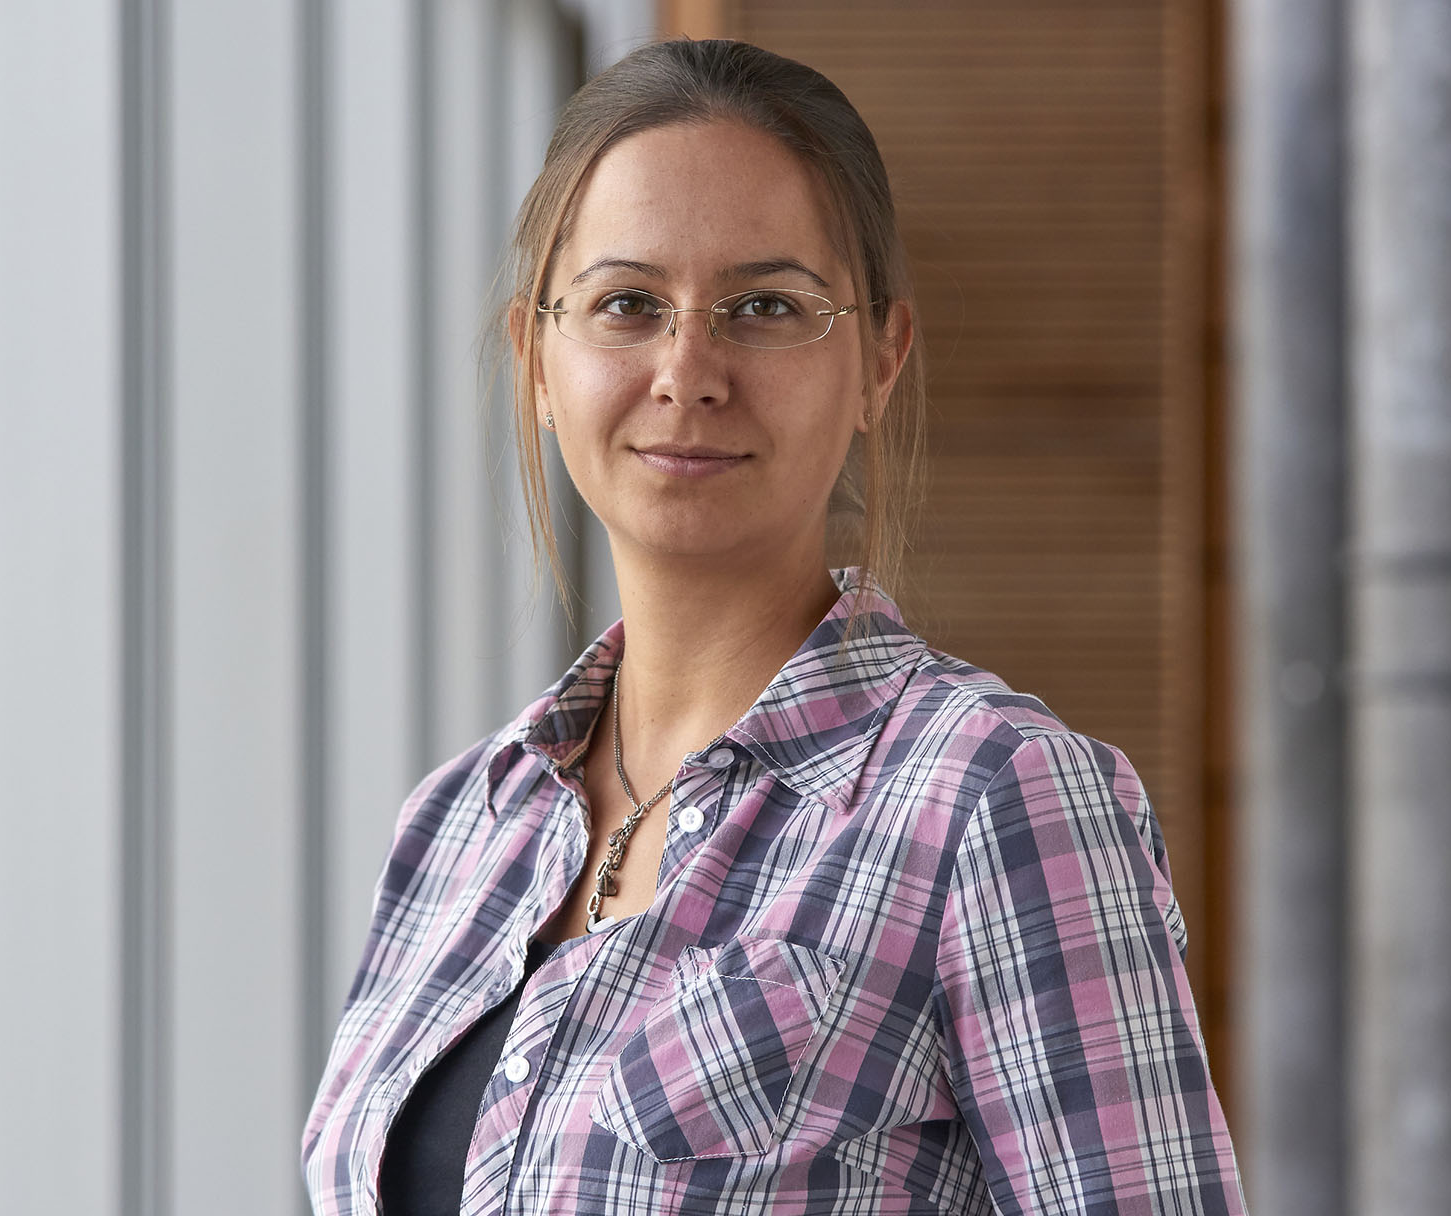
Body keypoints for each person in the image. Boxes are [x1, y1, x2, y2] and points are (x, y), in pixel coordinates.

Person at [303, 37, 1246, 1216]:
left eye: (765, 306)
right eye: (627, 304)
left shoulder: (995, 799)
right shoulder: (459, 823)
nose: (688, 370)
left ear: (878, 363)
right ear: (536, 358)